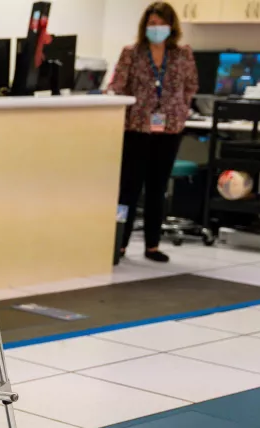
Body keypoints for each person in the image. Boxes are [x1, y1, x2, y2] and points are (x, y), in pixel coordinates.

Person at [109, 1, 199, 263]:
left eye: (161, 24)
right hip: (136, 127)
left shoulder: (182, 54)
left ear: (171, 26)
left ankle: (152, 245)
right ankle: (120, 243)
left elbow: (191, 85)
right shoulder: (132, 53)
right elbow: (118, 85)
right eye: (151, 24)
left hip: (169, 128)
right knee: (129, 188)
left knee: (157, 188)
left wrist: (180, 110)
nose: (156, 28)